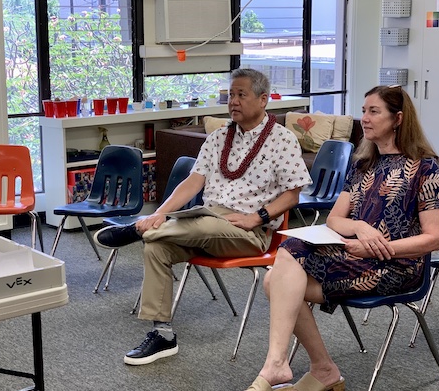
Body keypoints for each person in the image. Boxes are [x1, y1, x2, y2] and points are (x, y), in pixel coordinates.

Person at [234, 84, 439, 391]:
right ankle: (296, 366)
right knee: (281, 270)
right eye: (363, 111)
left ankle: (305, 367)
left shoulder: (425, 169)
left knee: (274, 281)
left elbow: (435, 239)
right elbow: (335, 220)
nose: (365, 118)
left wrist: (382, 247)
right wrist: (361, 227)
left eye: (374, 111)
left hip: (398, 267)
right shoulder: (363, 165)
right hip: (355, 256)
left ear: (398, 118)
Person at [94, 68, 312, 365]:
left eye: (241, 95)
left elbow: (293, 194)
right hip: (204, 220)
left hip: (249, 229)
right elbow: (192, 183)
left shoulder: (282, 139)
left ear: (263, 100)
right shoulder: (218, 137)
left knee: (200, 224)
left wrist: (257, 218)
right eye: (230, 95)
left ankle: (137, 229)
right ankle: (162, 335)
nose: (233, 101)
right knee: (157, 248)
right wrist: (159, 213)